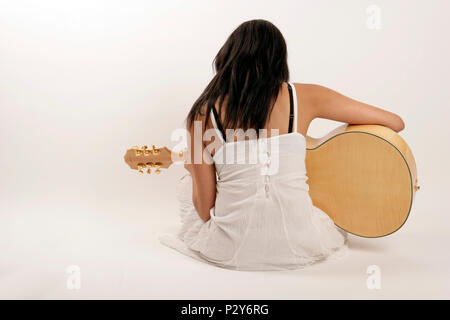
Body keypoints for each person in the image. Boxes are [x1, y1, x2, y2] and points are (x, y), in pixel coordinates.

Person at [158, 19, 405, 271]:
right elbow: (395, 122)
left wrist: (194, 167)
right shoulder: (307, 96)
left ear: (227, 57)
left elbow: (203, 210)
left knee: (187, 184)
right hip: (301, 243)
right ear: (279, 59)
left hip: (230, 249)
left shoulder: (202, 113)